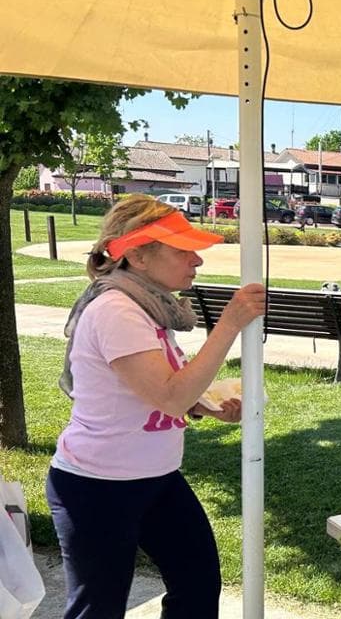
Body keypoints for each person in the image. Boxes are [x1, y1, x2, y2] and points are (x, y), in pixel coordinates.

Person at [47, 195, 266, 619]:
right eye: (182, 250)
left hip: (156, 478)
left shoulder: (149, 309)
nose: (197, 260)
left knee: (197, 583)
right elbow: (169, 397)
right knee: (99, 607)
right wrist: (230, 324)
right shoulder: (115, 310)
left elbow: (158, 392)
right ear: (138, 256)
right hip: (97, 487)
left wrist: (204, 407)